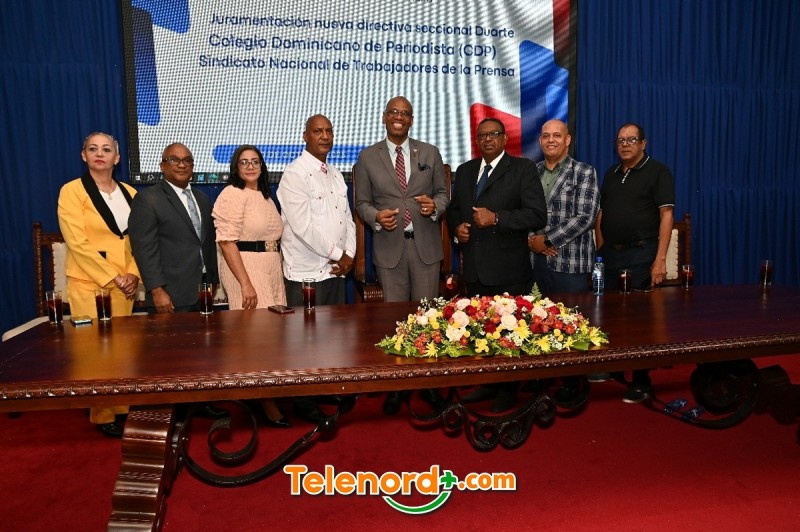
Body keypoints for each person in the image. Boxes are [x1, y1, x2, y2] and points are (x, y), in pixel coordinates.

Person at [354, 96, 450, 415]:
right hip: (389, 249)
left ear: (411, 120)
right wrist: (375, 216)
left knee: (427, 320)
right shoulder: (367, 157)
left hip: (425, 248)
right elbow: (362, 202)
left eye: (405, 113)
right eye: (394, 112)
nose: (399, 117)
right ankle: (397, 386)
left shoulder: (430, 153)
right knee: (394, 323)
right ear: (384, 117)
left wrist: (434, 207)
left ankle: (429, 385)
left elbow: (443, 194)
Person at [448, 117, 547, 412]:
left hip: (509, 270)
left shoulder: (522, 169)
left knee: (508, 332)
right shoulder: (465, 171)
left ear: (505, 138)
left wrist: (497, 218)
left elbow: (537, 215)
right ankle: (489, 383)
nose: (488, 139)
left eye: (494, 134)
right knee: (482, 330)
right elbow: (454, 210)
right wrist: (457, 228)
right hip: (475, 269)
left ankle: (508, 389)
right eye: (483, 135)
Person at [57, 132, 139, 437]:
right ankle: (103, 413)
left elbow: (140, 239)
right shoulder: (72, 191)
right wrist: (113, 276)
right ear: (84, 156)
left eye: (106, 149)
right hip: (88, 282)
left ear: (117, 157)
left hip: (126, 284)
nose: (99, 154)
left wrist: (133, 274)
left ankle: (123, 408)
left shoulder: (131, 193)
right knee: (95, 351)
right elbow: (76, 242)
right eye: (93, 149)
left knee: (123, 349)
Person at [276, 114, 356, 423]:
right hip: (306, 274)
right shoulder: (294, 174)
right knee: (304, 343)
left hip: (335, 271)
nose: (324, 136)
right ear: (305, 136)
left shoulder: (334, 173)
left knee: (332, 338)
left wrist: (349, 254)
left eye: (328, 131)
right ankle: (304, 400)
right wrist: (339, 254)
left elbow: (347, 219)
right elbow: (302, 228)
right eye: (317, 131)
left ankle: (323, 389)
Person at [595, 123, 675, 403]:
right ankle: (613, 367)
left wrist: (659, 260)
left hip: (642, 253)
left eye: (631, 140)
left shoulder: (658, 171)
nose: (625, 145)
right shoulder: (611, 173)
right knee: (610, 315)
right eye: (620, 140)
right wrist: (601, 247)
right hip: (611, 254)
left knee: (640, 321)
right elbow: (602, 214)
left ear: (643, 143)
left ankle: (642, 382)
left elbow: (666, 216)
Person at [212, 144, 290, 427]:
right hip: (245, 268)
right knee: (255, 336)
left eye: (255, 161)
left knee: (271, 335)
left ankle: (265, 391)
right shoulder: (232, 194)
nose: (250, 166)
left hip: (270, 268)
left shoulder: (266, 197)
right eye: (243, 162)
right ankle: (263, 402)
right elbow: (226, 242)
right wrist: (245, 284)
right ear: (235, 167)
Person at [528, 119, 600, 402]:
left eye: (557, 135)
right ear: (540, 141)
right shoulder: (531, 172)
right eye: (546, 135)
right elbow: (523, 211)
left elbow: (585, 217)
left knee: (571, 325)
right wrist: (533, 241)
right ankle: (541, 380)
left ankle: (573, 383)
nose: (551, 140)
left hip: (570, 263)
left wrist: (547, 240)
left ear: (568, 140)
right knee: (538, 322)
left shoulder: (584, 172)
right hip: (535, 261)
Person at [128, 143, 219, 314]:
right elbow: (144, 250)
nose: (182, 165)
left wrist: (213, 280)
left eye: (187, 160)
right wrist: (156, 290)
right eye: (174, 160)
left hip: (203, 292)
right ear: (162, 166)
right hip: (169, 295)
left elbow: (207, 243)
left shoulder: (203, 199)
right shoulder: (147, 199)